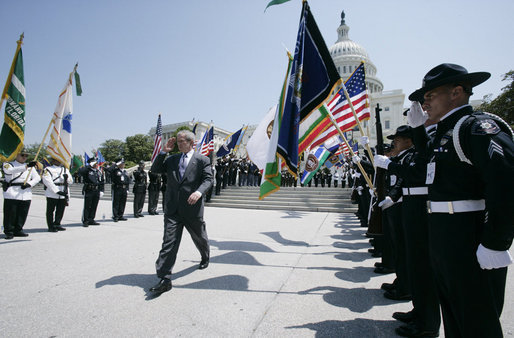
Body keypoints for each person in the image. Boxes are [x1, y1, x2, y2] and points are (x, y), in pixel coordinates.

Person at [404, 63, 514, 337]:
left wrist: (496, 242)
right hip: (444, 234)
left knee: (477, 321)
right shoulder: (445, 132)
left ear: (456, 92)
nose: (424, 103)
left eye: (430, 96)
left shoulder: (476, 127)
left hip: (470, 234)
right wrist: (418, 130)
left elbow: (506, 183)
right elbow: (427, 161)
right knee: (454, 316)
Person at [149, 130, 213, 293]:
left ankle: (205, 255)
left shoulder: (202, 160)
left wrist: (199, 192)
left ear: (191, 142)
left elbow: (208, 179)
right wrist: (163, 152)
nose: (178, 144)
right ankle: (164, 278)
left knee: (199, 237)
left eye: (181, 141)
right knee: (169, 242)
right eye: (177, 141)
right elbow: (155, 169)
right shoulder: (172, 159)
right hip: (173, 209)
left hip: (192, 209)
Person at [2, 148, 40, 239]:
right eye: (22, 155)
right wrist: (26, 166)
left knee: (22, 213)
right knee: (11, 214)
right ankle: (9, 231)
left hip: (25, 193)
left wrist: (29, 184)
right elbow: (10, 171)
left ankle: (18, 229)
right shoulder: (8, 164)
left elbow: (37, 178)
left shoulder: (30, 167)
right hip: (12, 193)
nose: (24, 157)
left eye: (26, 155)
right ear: (16, 155)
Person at [42, 157, 73, 232]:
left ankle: (57, 223)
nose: (58, 161)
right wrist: (57, 191)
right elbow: (47, 181)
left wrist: (66, 179)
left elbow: (71, 181)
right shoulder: (48, 169)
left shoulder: (65, 170)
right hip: (52, 192)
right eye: (56, 160)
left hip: (63, 190)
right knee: (50, 210)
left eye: (60, 160)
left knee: (60, 209)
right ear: (53, 160)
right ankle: (51, 226)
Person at [79, 158, 104, 226]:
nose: (96, 164)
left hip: (96, 190)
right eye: (94, 163)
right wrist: (88, 166)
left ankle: (91, 219)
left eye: (96, 163)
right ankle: (85, 220)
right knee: (87, 206)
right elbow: (80, 172)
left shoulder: (98, 171)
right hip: (89, 190)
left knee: (94, 205)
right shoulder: (87, 170)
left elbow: (101, 181)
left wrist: (102, 190)